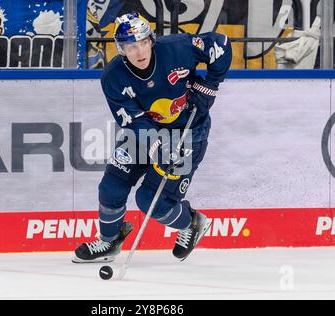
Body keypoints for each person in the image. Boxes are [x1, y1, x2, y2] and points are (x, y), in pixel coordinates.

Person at [72, 12, 232, 263]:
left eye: (143, 42)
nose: (139, 52)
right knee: (111, 187)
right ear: (121, 49)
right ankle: (109, 241)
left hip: (189, 133)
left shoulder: (178, 48)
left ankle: (191, 222)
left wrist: (211, 84)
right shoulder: (113, 77)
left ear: (151, 40)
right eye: (131, 46)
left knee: (151, 201)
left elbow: (221, 43)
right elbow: (133, 121)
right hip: (143, 133)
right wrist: (158, 147)